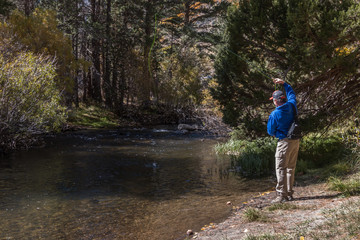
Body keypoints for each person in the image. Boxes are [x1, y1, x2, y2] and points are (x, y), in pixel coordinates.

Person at [267, 78, 300, 203]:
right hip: (295, 141)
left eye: (273, 101)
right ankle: (289, 194)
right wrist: (284, 83)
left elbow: (270, 131)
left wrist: (276, 134)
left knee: (281, 168)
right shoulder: (291, 104)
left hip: (284, 142)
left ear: (276, 101)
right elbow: (292, 93)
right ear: (283, 99)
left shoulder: (275, 114)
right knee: (291, 168)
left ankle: (281, 196)